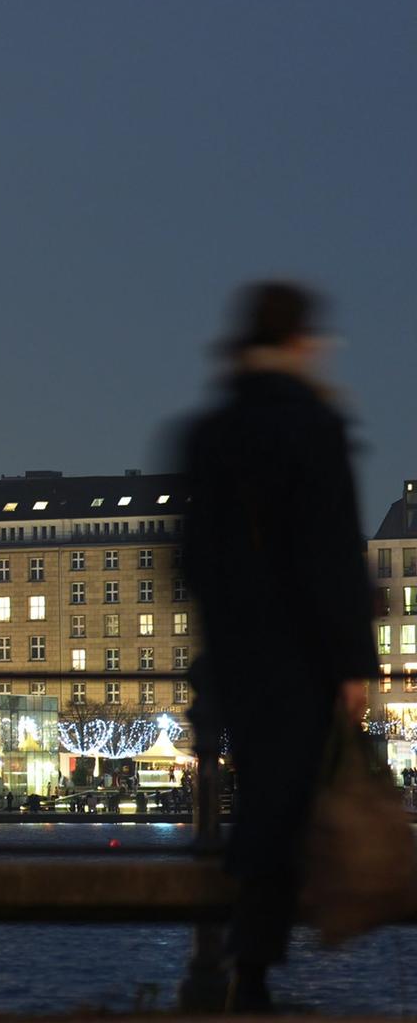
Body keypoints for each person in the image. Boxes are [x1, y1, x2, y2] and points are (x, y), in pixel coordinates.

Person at [183, 281, 376, 1012]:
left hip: (236, 657)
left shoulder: (211, 430)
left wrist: (230, 625)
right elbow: (331, 554)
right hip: (300, 658)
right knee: (283, 803)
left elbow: (193, 557)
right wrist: (353, 666)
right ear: (299, 340)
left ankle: (246, 969)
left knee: (259, 793)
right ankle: (253, 973)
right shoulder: (313, 424)